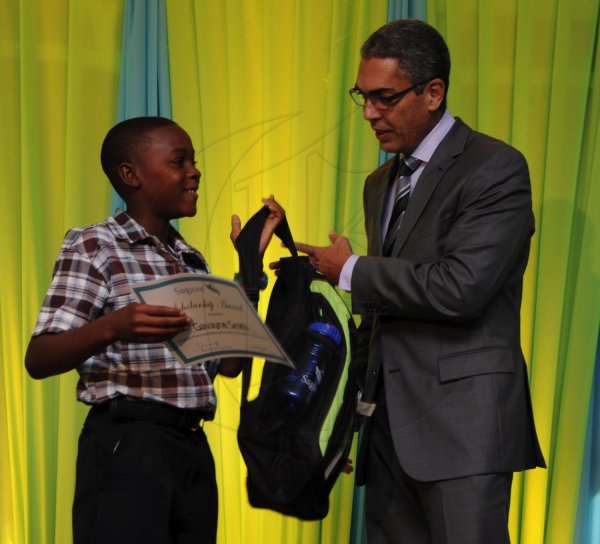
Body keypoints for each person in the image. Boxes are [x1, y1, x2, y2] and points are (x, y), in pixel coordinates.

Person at [293, 19, 546, 544]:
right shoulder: (380, 182)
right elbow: (386, 312)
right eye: (361, 97)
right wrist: (344, 424)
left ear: (434, 93)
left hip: (463, 431)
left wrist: (352, 270)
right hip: (385, 432)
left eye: (384, 98)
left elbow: (461, 288)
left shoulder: (495, 166)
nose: (369, 114)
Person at [25, 116, 284, 544]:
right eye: (179, 161)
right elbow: (39, 357)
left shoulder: (191, 260)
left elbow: (231, 364)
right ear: (131, 175)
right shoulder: (95, 245)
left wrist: (248, 269)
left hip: (191, 450)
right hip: (128, 446)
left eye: (194, 161)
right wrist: (114, 325)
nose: (195, 171)